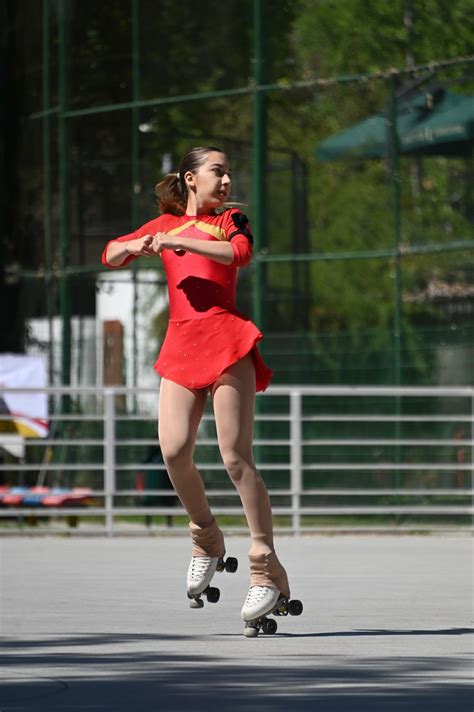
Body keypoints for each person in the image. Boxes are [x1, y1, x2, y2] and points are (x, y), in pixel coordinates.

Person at [101, 146, 296, 636]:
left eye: (228, 172)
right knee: (173, 449)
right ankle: (206, 537)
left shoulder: (231, 219)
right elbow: (110, 252)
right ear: (190, 179)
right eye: (217, 171)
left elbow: (239, 254)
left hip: (226, 341)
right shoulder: (162, 226)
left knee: (234, 457)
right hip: (182, 345)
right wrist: (136, 246)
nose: (227, 179)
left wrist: (174, 243)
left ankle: (262, 562)